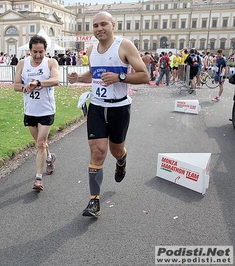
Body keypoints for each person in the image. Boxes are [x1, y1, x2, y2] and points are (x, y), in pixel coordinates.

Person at [67, 11, 149, 217]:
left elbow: (144, 75)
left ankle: (122, 160)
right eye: (95, 26)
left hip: (119, 108)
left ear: (113, 25)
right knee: (98, 152)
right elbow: (94, 77)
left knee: (115, 150)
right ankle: (94, 201)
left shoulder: (124, 46)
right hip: (96, 106)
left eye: (103, 24)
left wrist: (120, 76)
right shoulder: (91, 50)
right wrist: (78, 78)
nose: (99, 28)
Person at [13, 34, 60, 191]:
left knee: (40, 143)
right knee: (40, 143)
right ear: (30, 50)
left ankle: (38, 179)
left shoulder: (51, 62)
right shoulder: (22, 64)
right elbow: (16, 85)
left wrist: (38, 82)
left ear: (45, 50)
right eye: (35, 52)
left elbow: (56, 80)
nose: (38, 55)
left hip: (46, 110)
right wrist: (25, 87)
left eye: (41, 52)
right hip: (30, 110)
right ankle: (49, 158)